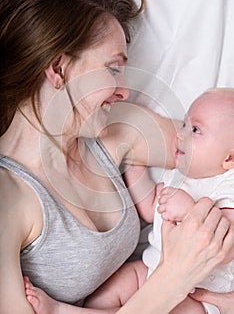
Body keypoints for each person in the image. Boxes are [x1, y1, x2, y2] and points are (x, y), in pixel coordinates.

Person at [0, 0, 233, 313]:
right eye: (113, 68)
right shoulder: (8, 197)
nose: (124, 90)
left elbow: (223, 148)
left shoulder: (115, 130)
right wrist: (176, 276)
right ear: (59, 69)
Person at [23, 87, 234, 314]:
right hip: (153, 269)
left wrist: (188, 210)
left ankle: (59, 311)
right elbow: (152, 207)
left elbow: (227, 244)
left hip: (200, 293)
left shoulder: (227, 185)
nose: (181, 134)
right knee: (109, 292)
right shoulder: (180, 175)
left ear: (229, 158)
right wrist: (135, 170)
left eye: (195, 129)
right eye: (183, 124)